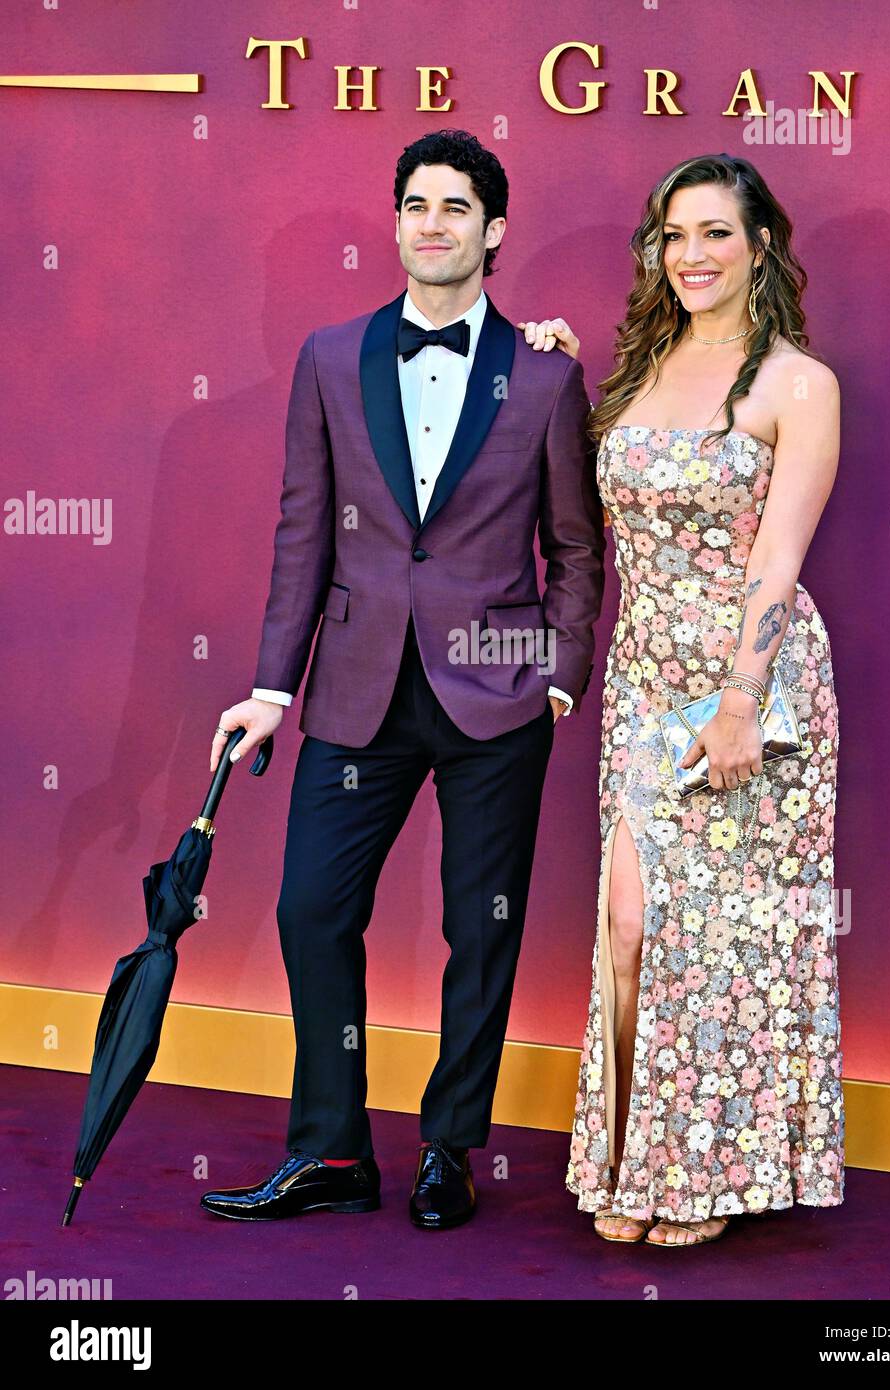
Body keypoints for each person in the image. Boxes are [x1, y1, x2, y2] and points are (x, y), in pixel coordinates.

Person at [199, 129, 605, 1230]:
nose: (432, 223)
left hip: (498, 690)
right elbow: (301, 534)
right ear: (395, 223)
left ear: (493, 230)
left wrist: (559, 676)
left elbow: (576, 548)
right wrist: (272, 687)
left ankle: (449, 1147)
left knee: (481, 924)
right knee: (310, 909)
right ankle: (332, 1151)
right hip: (354, 687)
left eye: (455, 207)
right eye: (415, 205)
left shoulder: (547, 374)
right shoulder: (329, 357)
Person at [545, 153, 844, 1246]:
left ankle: (707, 1177)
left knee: (726, 936)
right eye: (673, 235)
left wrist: (738, 700)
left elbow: (776, 562)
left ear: (759, 243)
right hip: (641, 674)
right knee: (629, 922)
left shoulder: (795, 384)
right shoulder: (637, 366)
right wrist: (547, 368)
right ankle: (630, 1158)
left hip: (745, 688)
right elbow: (589, 496)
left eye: (715, 232)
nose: (691, 255)